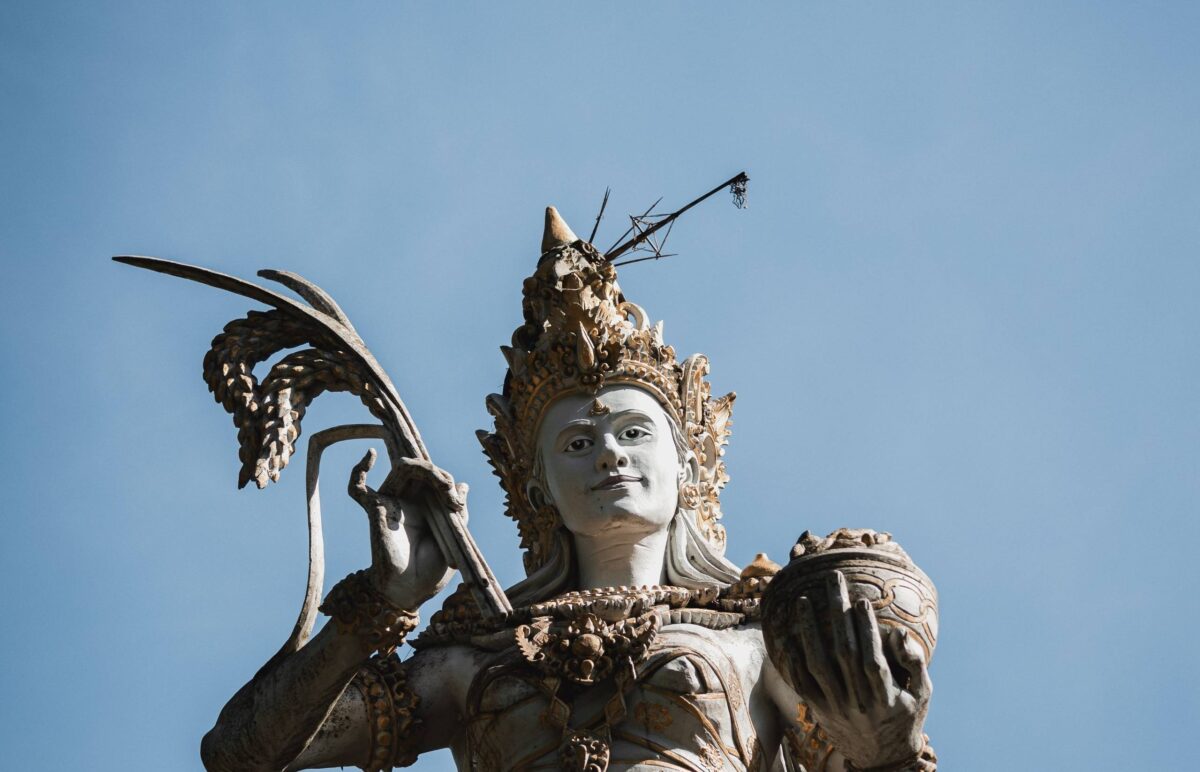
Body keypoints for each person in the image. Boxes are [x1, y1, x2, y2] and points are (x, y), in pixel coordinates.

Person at [199, 208, 936, 772]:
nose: (609, 454)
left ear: (689, 466)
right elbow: (241, 754)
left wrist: (888, 744)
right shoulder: (479, 659)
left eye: (634, 433)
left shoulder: (756, 641)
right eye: (578, 444)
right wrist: (383, 603)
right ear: (537, 487)